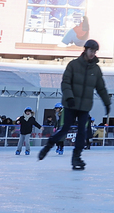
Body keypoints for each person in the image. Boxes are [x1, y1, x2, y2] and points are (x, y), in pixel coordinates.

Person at [40, 39, 110, 170]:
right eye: (91, 51)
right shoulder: (73, 65)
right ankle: (48, 146)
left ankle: (76, 156)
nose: (92, 54)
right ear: (85, 49)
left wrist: (107, 103)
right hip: (70, 104)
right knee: (65, 128)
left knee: (82, 132)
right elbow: (65, 83)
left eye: (94, 51)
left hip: (84, 106)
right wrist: (69, 97)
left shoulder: (96, 69)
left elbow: (101, 88)